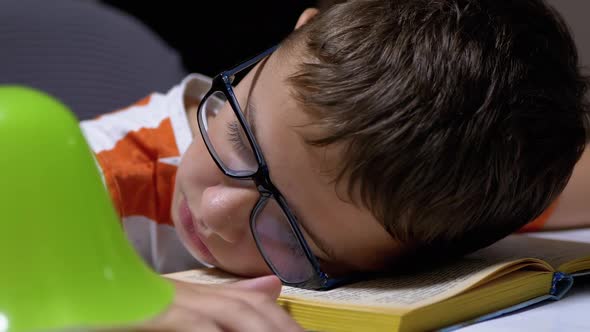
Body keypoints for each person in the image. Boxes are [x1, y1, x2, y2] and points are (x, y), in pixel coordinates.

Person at [79, 0, 589, 329]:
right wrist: (92, 303)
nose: (214, 209)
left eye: (288, 233)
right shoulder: (97, 177)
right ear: (294, 36)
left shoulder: (433, 193)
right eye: (239, 137)